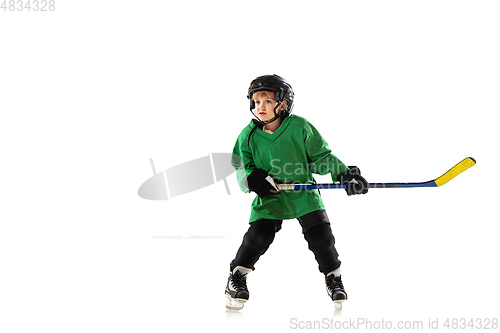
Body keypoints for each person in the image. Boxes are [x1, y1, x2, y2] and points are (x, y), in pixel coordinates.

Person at [225, 74, 368, 310]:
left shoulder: (300, 127)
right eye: (257, 101)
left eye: (268, 101)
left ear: (283, 103)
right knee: (259, 236)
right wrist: (252, 179)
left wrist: (344, 175)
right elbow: (241, 166)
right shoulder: (248, 136)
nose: (260, 106)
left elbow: (321, 157)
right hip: (271, 196)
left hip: (304, 192)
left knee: (322, 238)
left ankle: (333, 277)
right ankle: (237, 276)